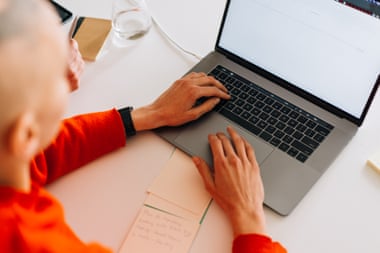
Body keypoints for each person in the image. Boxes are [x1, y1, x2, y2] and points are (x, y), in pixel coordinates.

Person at [0, 0, 286, 252]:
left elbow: (33, 156)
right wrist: (250, 221)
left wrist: (145, 116)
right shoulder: (28, 240)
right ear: (26, 133)